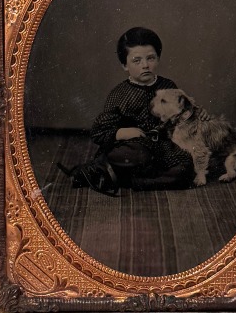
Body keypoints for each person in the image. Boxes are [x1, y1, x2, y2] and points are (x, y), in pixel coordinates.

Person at [57, 27, 194, 194]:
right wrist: (122, 132)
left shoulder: (168, 86)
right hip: (131, 146)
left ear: (158, 59)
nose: (145, 65)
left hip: (162, 146)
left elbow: (179, 116)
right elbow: (99, 132)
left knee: (185, 167)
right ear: (124, 65)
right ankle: (107, 168)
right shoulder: (120, 94)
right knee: (138, 155)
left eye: (150, 58)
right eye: (137, 60)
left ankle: (131, 181)